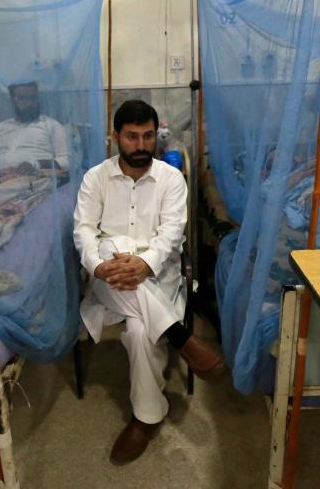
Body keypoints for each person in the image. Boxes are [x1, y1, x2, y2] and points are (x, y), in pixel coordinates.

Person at [73, 99, 226, 465]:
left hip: (158, 276)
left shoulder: (171, 178)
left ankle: (145, 419)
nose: (141, 145)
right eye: (131, 137)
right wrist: (97, 265)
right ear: (116, 137)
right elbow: (82, 231)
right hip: (107, 277)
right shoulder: (95, 178)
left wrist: (144, 264)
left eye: (147, 136)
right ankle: (180, 338)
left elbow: (172, 234)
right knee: (111, 249)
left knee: (141, 332)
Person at [0, 81, 69, 183]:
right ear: (13, 101)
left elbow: (67, 160)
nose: (29, 103)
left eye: (32, 98)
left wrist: (36, 164)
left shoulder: (52, 125)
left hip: (34, 178)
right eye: (22, 99)